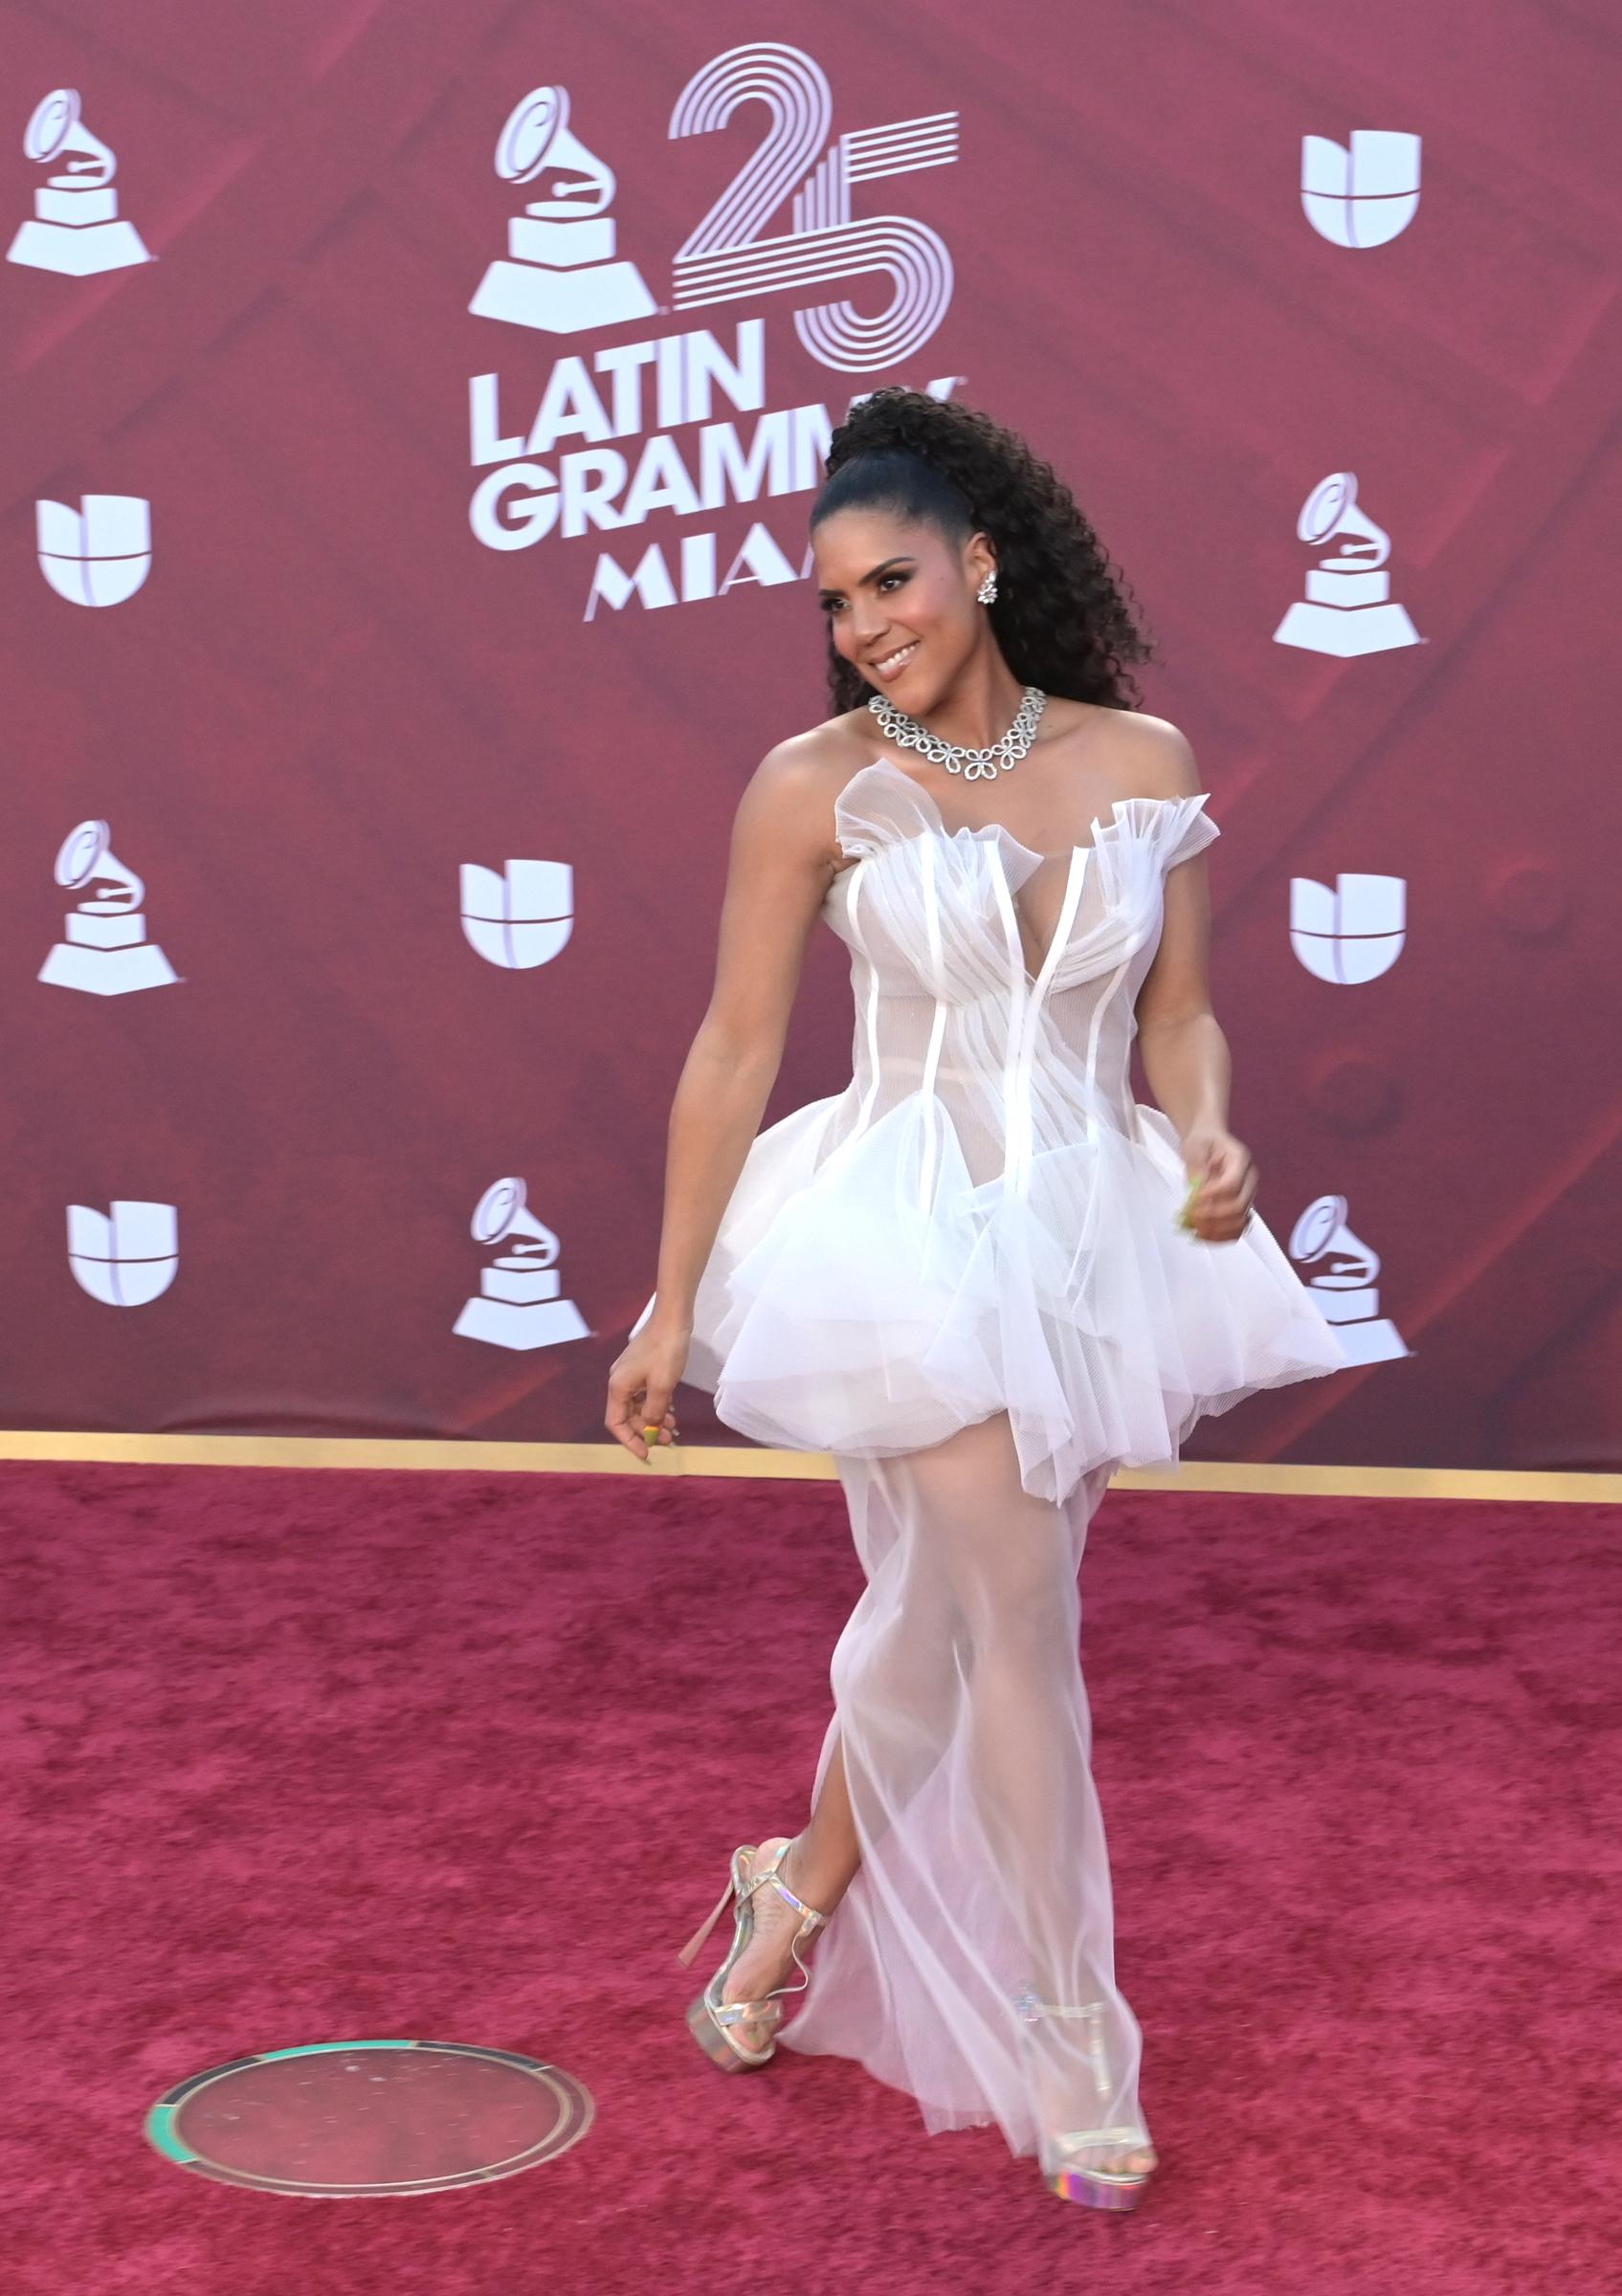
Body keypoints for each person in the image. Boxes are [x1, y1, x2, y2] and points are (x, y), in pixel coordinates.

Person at [605, 386, 1350, 2213]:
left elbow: (1175, 1010)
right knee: (1018, 1616)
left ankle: (794, 1886)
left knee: (943, 1621)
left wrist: (1208, 1134)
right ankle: (1074, 2022)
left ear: (983, 561)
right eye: (838, 604)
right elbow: (733, 1051)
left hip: (1089, 1236)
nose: (869, 629)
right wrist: (664, 1299)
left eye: (894, 584)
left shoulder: (1149, 762)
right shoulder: (811, 789)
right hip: (904, 1236)